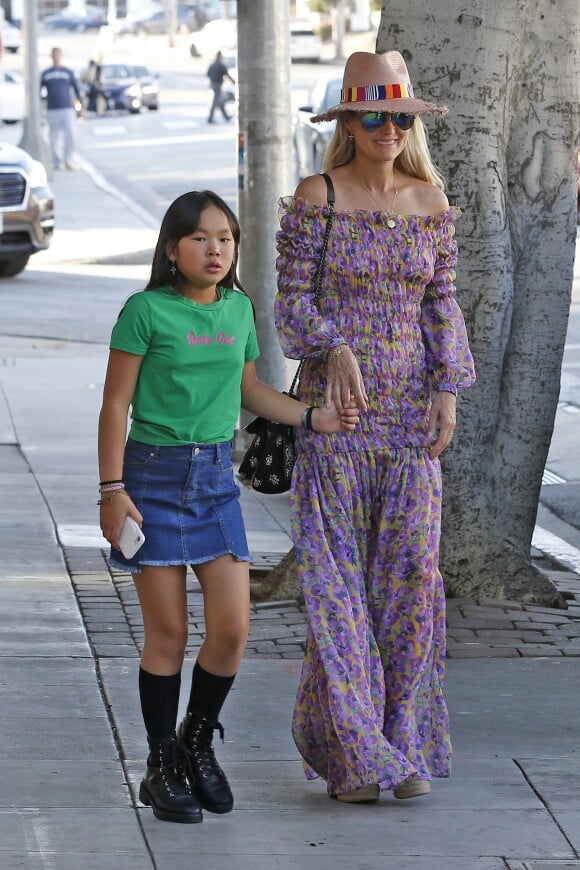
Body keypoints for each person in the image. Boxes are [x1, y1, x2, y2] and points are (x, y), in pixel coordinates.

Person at [97, 190, 359, 825]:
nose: (215, 250)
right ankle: (161, 765)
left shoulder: (240, 310)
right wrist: (111, 493)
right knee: (168, 634)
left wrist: (312, 417)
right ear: (171, 249)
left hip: (215, 481)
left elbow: (248, 390)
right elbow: (114, 406)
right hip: (152, 479)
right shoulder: (145, 312)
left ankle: (195, 740)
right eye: (200, 238)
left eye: (226, 239)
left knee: (233, 629)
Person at [274, 51, 476, 804]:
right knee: (336, 590)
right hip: (338, 421)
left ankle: (406, 741)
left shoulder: (430, 200)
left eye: (398, 116)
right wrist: (336, 345)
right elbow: (290, 300)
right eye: (371, 115)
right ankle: (354, 752)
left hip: (411, 426)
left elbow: (441, 306)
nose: (386, 129)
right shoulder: (318, 194)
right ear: (348, 122)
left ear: (410, 123)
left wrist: (448, 392)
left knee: (413, 583)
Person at [40, 47, 83, 170]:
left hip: (67, 108)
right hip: (52, 109)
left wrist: (80, 107)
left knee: (70, 134)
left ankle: (69, 160)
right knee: (54, 137)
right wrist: (40, 106)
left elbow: (77, 90)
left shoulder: (68, 72)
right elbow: (39, 91)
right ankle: (57, 162)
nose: (56, 57)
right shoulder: (46, 74)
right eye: (54, 54)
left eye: (58, 54)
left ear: (61, 56)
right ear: (51, 56)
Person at [206, 50, 234, 124]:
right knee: (216, 102)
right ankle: (210, 118)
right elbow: (227, 75)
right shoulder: (221, 65)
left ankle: (226, 117)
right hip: (217, 85)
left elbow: (208, 74)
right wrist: (233, 82)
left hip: (212, 84)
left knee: (220, 101)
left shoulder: (212, 64)